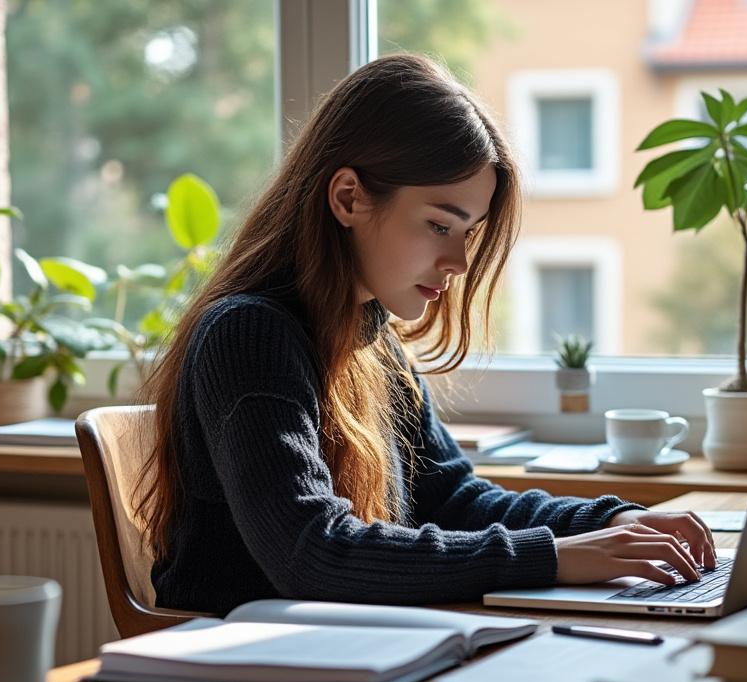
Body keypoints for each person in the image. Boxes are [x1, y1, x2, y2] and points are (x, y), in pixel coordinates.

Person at [137, 53, 716, 616]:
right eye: (439, 224)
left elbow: (452, 498)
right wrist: (554, 558)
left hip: (330, 645)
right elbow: (311, 552)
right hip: (233, 670)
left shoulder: (368, 335)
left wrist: (609, 524)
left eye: (467, 231)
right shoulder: (250, 334)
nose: (459, 262)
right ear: (348, 198)